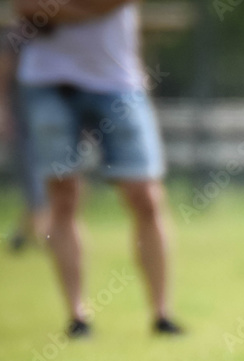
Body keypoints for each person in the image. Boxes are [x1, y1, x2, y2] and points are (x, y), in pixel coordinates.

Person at [14, 0, 182, 337]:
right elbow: (25, 5)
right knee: (63, 196)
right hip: (48, 83)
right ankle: (78, 317)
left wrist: (61, 11)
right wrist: (89, 9)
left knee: (145, 195)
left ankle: (162, 314)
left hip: (118, 81)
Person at [1, 24, 48, 252]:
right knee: (33, 178)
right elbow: (4, 70)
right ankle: (38, 233)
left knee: (49, 178)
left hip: (47, 119)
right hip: (23, 120)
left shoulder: (54, 31)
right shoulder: (15, 37)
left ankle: (27, 233)